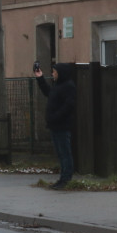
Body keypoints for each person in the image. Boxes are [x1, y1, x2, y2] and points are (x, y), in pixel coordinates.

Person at [35, 62, 76, 190]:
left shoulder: (68, 86)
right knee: (60, 153)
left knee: (65, 153)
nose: (52, 74)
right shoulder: (58, 86)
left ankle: (66, 178)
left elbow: (68, 106)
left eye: (54, 71)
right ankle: (63, 178)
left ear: (60, 73)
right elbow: (49, 93)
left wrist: (55, 116)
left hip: (62, 125)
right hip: (55, 125)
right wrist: (40, 78)